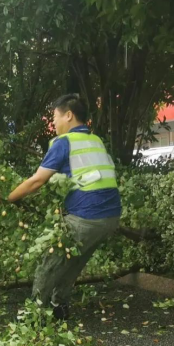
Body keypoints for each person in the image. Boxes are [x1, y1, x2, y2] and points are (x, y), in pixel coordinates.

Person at [7, 94, 121, 319]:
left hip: (87, 217)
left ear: (68, 115)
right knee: (74, 260)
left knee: (50, 262)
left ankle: (34, 313)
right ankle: (60, 306)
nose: (54, 123)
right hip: (111, 217)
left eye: (55, 117)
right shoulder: (95, 140)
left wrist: (7, 197)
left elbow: (37, 181)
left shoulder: (65, 142)